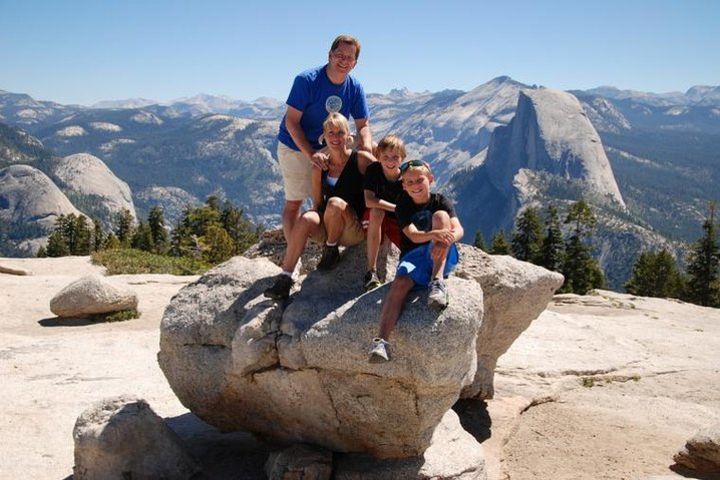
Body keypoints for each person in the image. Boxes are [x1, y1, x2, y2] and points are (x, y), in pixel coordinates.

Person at [276, 34, 373, 248]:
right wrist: (313, 156)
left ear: (355, 63)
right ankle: (294, 255)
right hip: (296, 145)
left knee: (373, 150)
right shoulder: (307, 80)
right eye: (340, 55)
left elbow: (363, 125)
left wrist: (366, 151)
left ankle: (337, 234)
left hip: (330, 143)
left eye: (350, 58)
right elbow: (291, 122)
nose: (344, 61)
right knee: (294, 203)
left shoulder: (354, 87)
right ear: (330, 55)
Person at [265, 112, 374, 300]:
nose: (335, 138)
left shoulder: (361, 159)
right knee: (307, 216)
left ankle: (331, 251)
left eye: (340, 133)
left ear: (348, 136)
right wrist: (313, 222)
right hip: (329, 225)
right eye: (330, 133)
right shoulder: (319, 167)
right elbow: (317, 204)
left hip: (353, 229)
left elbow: (385, 178)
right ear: (323, 136)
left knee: (335, 203)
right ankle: (285, 278)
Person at [368, 160, 464, 362]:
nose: (415, 185)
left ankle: (437, 282)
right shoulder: (403, 204)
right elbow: (413, 236)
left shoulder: (441, 201)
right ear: (403, 185)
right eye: (409, 182)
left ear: (430, 179)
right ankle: (381, 343)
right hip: (413, 255)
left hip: (442, 253)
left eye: (419, 180)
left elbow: (458, 229)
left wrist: (445, 238)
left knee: (440, 216)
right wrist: (437, 234)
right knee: (399, 284)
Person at [362, 134, 405, 291]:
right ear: (378, 156)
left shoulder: (406, 178)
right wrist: (395, 207)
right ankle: (371, 271)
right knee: (377, 212)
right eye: (385, 156)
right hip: (375, 217)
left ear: (402, 158)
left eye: (395, 157)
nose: (390, 161)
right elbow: (369, 201)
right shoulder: (373, 170)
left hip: (396, 221)